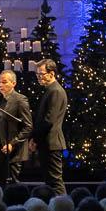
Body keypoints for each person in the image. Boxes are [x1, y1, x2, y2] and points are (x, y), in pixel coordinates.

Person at [0, 69, 33, 185]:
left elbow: (28, 127)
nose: (1, 85)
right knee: (0, 185)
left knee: (12, 187)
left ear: (13, 83)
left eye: (4, 82)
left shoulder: (20, 100)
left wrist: (12, 143)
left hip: (13, 152)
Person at [31, 59, 68, 195]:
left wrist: (34, 137)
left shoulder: (56, 91)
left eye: (41, 74)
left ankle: (63, 209)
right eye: (37, 74)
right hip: (47, 142)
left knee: (55, 182)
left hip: (52, 142)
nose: (38, 77)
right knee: (50, 181)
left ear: (51, 73)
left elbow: (49, 120)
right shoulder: (50, 90)